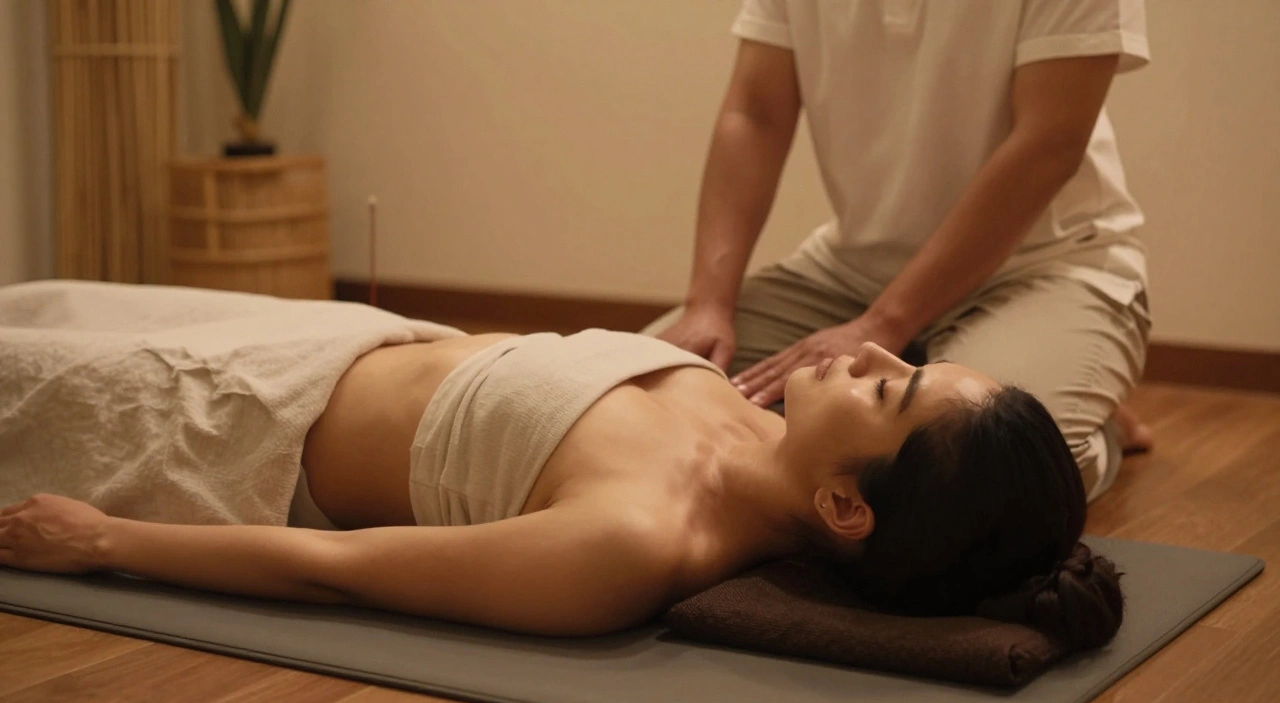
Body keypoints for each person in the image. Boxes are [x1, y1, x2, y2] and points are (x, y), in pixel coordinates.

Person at [1, 324, 1122, 648]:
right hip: (333, 336)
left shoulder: (630, 546)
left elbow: (334, 569)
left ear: (844, 506)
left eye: (889, 394)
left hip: (217, 429)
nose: (870, 356)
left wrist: (105, 541)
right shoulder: (746, 412)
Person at [650, 0, 1155, 503]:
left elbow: (1050, 143)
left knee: (985, 481)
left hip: (1047, 270)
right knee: (629, 392)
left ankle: (1091, 417)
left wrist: (882, 326)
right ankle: (933, 369)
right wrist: (708, 304)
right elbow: (755, 113)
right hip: (849, 275)